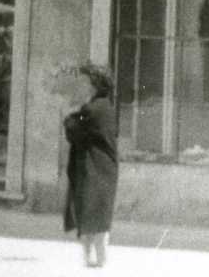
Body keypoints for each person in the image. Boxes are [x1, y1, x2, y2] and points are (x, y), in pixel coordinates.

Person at [60, 63, 118, 268]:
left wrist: (68, 115)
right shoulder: (104, 106)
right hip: (102, 168)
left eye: (85, 82)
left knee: (88, 212)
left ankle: (92, 259)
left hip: (93, 168)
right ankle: (98, 259)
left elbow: (74, 129)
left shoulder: (93, 109)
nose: (81, 85)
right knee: (98, 214)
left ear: (95, 85)